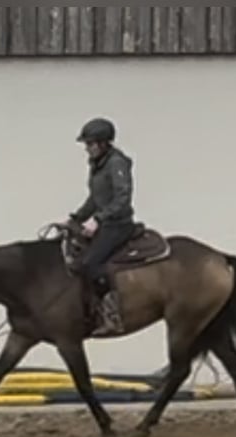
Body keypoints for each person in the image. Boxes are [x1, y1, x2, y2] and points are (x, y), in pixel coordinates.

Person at [66, 117, 137, 336]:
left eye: (90, 144)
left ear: (104, 143)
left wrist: (98, 219)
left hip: (118, 225)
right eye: (86, 144)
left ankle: (112, 316)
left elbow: (122, 198)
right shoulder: (97, 164)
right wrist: (75, 218)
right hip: (105, 221)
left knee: (91, 263)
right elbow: (95, 198)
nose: (87, 148)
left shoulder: (116, 163)